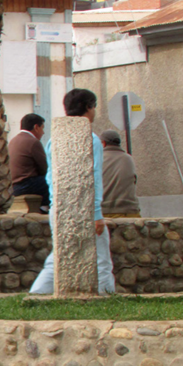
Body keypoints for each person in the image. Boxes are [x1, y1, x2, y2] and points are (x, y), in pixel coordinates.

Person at [30, 89, 115, 295]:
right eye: (93, 106)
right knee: (101, 257)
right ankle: (107, 294)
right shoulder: (91, 139)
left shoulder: (54, 140)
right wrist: (96, 213)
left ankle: (38, 293)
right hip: (85, 209)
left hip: (59, 207)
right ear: (88, 107)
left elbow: (51, 177)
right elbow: (93, 175)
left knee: (58, 256)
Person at [9, 113, 49, 211]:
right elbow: (45, 168)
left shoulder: (13, 140)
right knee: (52, 179)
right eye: (42, 128)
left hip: (13, 186)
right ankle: (45, 208)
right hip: (26, 185)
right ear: (36, 127)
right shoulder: (33, 142)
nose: (43, 132)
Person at [100, 130, 141, 218]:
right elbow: (134, 181)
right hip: (130, 212)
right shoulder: (128, 158)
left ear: (103, 143)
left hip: (104, 212)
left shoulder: (97, 159)